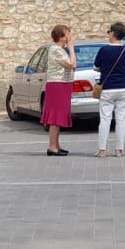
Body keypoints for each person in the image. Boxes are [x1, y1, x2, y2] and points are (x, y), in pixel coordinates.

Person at [92, 21, 125, 157]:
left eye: (109, 31)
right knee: (121, 118)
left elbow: (96, 66)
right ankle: (119, 150)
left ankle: (102, 149)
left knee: (105, 118)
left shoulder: (104, 50)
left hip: (108, 87)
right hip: (124, 87)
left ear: (113, 33)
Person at [41, 24, 77, 154]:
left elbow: (73, 65)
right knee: (55, 117)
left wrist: (69, 51)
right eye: (68, 33)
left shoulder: (61, 50)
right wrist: (72, 49)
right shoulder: (55, 49)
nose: (70, 36)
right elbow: (71, 64)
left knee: (59, 116)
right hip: (57, 85)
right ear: (62, 37)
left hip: (63, 84)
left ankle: (56, 144)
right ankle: (52, 146)